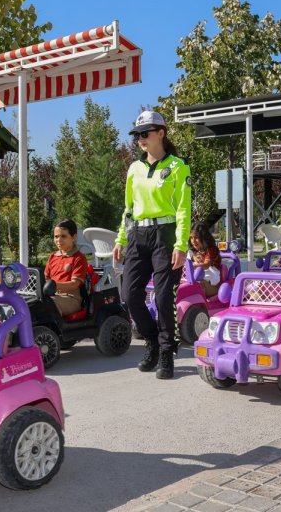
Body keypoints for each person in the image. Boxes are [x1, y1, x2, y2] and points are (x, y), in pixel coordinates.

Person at [113, 110, 191, 380]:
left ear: (161, 133)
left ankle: (167, 353)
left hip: (165, 236)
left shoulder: (179, 166)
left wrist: (181, 245)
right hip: (138, 236)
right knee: (129, 295)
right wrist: (121, 238)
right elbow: (128, 208)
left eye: (145, 133)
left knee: (162, 296)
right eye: (137, 135)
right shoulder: (134, 169)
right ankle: (153, 341)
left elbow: (183, 210)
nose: (141, 139)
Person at [44, 219, 88, 316]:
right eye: (56, 236)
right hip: (53, 295)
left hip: (71, 298)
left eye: (63, 236)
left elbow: (75, 284)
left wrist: (54, 285)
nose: (58, 240)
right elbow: (47, 279)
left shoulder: (79, 258)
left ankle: (48, 330)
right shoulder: (52, 257)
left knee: (47, 305)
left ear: (74, 237)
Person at [188, 222, 221, 298]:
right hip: (201, 276)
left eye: (196, 238)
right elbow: (188, 254)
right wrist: (193, 257)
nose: (193, 241)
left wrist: (193, 267)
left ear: (204, 238)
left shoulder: (210, 250)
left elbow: (206, 265)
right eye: (191, 238)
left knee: (199, 283)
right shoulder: (194, 251)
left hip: (212, 281)